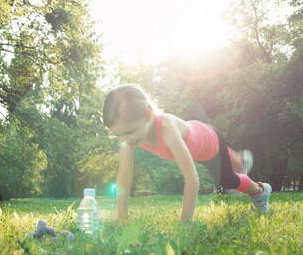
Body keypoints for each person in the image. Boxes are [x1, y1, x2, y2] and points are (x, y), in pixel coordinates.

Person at [103, 84, 272, 223]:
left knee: (227, 180)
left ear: (147, 115)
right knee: (225, 165)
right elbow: (123, 179)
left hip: (210, 142)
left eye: (130, 132)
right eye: (119, 135)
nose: (125, 140)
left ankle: (260, 191)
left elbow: (192, 179)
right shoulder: (129, 138)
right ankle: (239, 159)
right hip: (196, 141)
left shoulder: (167, 128)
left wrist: (185, 222)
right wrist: (122, 218)